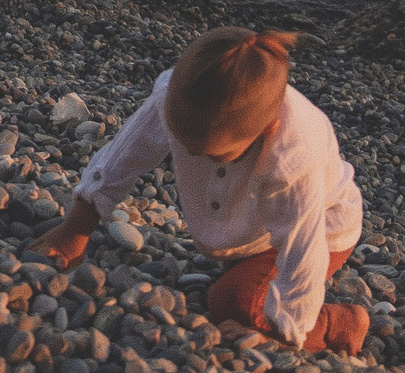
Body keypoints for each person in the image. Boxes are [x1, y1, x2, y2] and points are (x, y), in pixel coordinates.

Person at [30, 28, 372, 353]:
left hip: (324, 227)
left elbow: (303, 246)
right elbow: (124, 155)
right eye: (183, 141)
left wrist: (286, 328)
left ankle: (339, 323)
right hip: (251, 228)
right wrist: (77, 226)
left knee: (232, 302)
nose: (194, 155)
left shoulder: (293, 157)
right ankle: (245, 265)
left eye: (214, 154)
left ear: (269, 129)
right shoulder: (172, 98)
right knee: (237, 283)